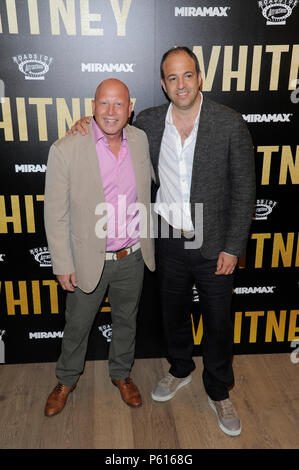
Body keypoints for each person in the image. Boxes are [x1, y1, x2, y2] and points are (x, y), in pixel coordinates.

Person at [69, 46, 256, 436]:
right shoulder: (150, 123)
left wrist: (233, 247)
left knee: (218, 323)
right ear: (163, 83)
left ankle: (219, 390)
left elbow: (244, 192)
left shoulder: (229, 123)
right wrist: (82, 126)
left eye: (187, 75)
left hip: (214, 241)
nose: (180, 84)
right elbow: (107, 127)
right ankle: (180, 369)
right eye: (172, 77)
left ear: (199, 77)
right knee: (173, 314)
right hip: (167, 238)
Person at [43, 78, 155, 417]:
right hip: (89, 259)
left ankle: (121, 375)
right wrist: (62, 263)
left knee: (126, 321)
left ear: (130, 109)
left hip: (132, 256)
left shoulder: (140, 140)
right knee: (77, 325)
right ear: (92, 107)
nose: (111, 111)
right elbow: (55, 213)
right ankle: (66, 380)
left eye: (118, 104)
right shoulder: (67, 148)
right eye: (103, 103)